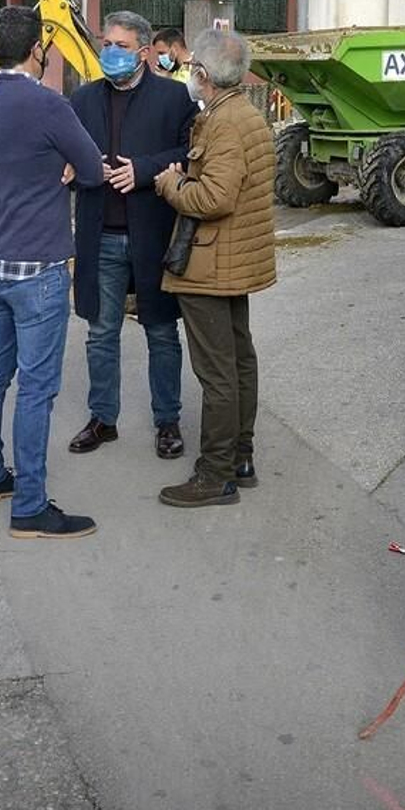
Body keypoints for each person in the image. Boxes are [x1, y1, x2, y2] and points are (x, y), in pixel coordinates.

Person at [0, 5, 107, 539]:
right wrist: (64, 168)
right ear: (36, 50)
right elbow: (91, 168)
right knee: (36, 388)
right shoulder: (49, 105)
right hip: (40, 268)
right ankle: (29, 504)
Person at [153, 29, 277, 509]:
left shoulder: (224, 124)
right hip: (233, 259)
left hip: (211, 263)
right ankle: (240, 459)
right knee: (238, 362)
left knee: (217, 373)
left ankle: (216, 473)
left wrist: (171, 185)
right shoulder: (245, 115)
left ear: (202, 75)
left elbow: (214, 197)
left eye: (189, 68)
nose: (186, 73)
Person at [67, 11, 197, 461]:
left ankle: (168, 420)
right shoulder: (82, 99)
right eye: (106, 43)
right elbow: (62, 153)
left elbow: (190, 152)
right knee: (100, 333)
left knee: (161, 332)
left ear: (144, 52)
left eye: (120, 46)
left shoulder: (174, 97)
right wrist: (84, 168)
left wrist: (142, 171)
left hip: (153, 233)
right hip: (99, 233)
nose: (110, 53)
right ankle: (103, 418)